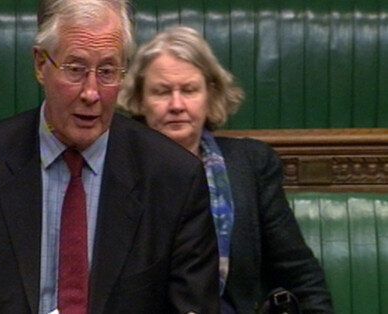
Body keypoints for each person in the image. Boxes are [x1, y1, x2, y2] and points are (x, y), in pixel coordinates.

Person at [0, 1, 219, 313]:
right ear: (41, 64)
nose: (91, 93)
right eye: (76, 69)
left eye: (107, 71)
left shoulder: (173, 176)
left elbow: (194, 306)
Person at [118, 25, 334, 313]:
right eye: (161, 91)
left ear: (210, 96)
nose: (177, 104)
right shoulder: (115, 171)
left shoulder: (251, 165)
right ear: (139, 101)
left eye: (190, 90)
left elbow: (300, 276)